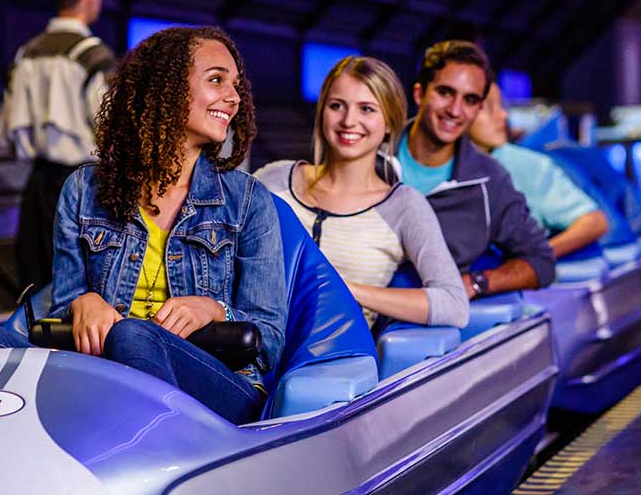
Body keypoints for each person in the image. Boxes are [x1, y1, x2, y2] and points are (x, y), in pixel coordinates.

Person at [0, 27, 287, 425]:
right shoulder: (83, 188)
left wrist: (215, 310)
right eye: (216, 80)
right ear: (165, 89)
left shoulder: (248, 201)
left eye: (236, 85)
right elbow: (64, 302)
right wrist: (82, 301)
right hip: (101, 370)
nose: (233, 98)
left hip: (218, 382)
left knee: (132, 333)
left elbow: (269, 339)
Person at [255, 56, 467, 329]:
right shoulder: (275, 179)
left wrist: (344, 288)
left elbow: (454, 305)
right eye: (336, 106)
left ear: (390, 123)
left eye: (367, 109)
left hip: (333, 360)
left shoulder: (404, 206)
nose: (348, 120)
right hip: (254, 345)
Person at [0, 0, 117, 289]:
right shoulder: (93, 56)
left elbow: (7, 136)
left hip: (36, 189)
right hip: (86, 190)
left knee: (37, 290)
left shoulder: (26, 55)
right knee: (84, 294)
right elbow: (113, 132)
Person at [395, 40, 555, 298]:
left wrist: (475, 282)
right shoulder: (371, 156)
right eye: (445, 92)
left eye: (470, 100)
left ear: (478, 108)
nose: (455, 110)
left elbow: (541, 262)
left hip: (420, 328)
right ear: (419, 93)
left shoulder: (490, 181)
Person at [468, 83, 608, 258]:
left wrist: (531, 260)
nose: (503, 115)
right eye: (488, 108)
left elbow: (594, 222)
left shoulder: (523, 163)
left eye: (502, 106)